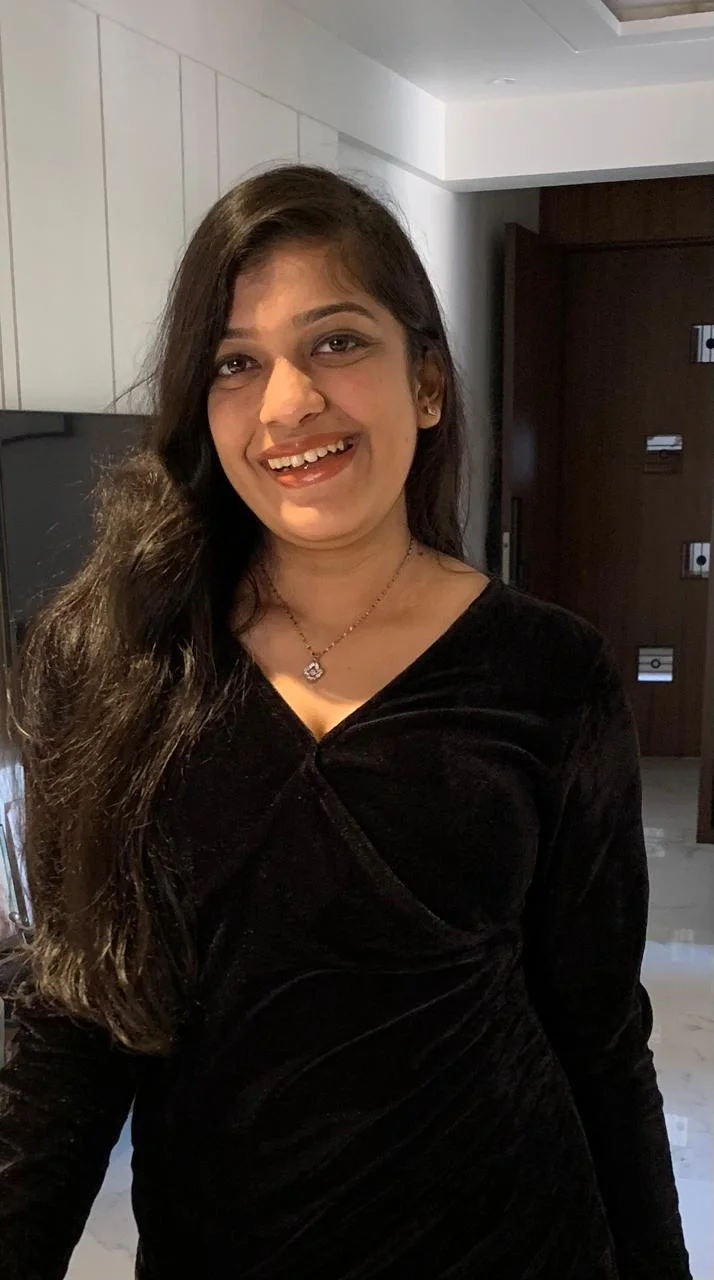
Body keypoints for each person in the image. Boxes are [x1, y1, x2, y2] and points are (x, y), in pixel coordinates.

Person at [0, 164, 692, 1280]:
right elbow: (74, 1027)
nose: (288, 404)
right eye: (235, 362)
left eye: (335, 342)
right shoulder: (111, 665)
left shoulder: (549, 673)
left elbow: (602, 1034)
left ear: (428, 383)